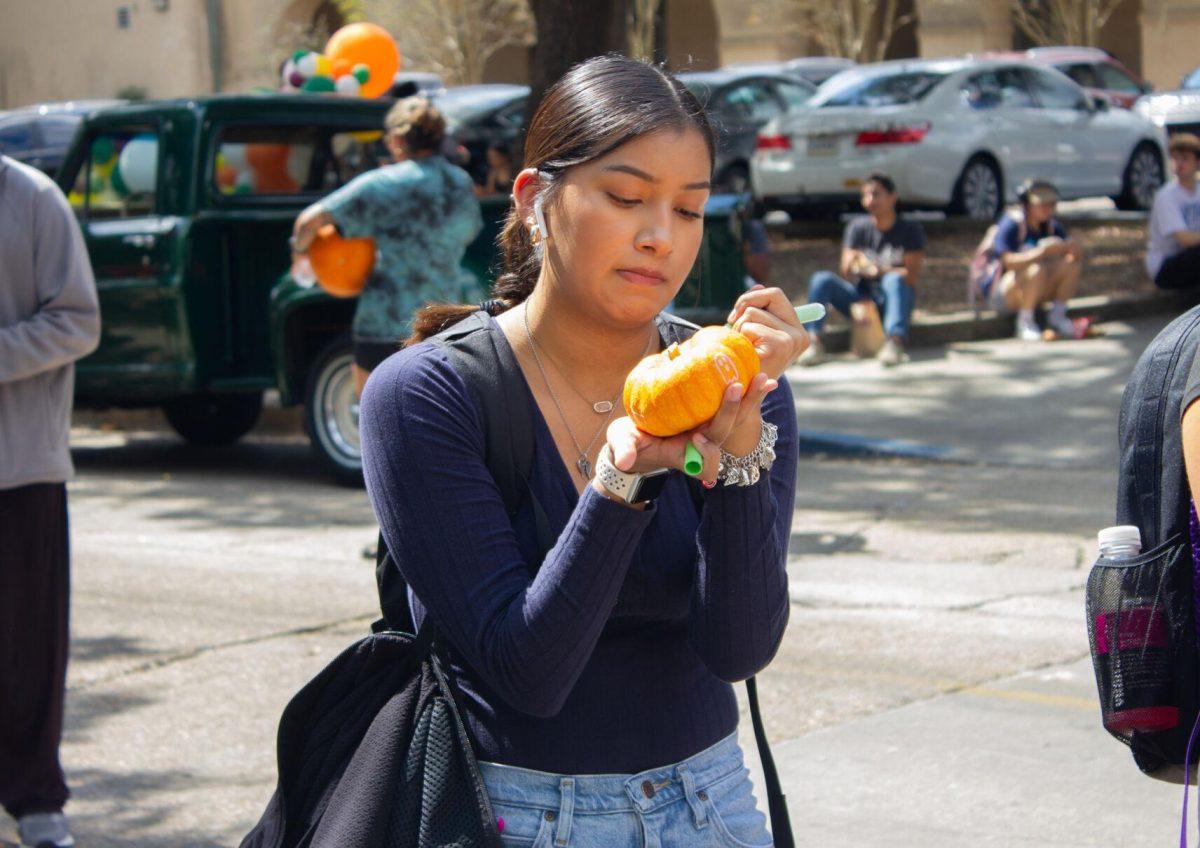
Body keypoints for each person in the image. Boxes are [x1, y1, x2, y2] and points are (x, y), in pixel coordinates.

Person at [359, 55, 807, 846]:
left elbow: (739, 648)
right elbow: (528, 672)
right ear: (534, 200)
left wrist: (738, 465)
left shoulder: (731, 383)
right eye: (627, 197)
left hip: (714, 804)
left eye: (690, 209)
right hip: (517, 813)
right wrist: (623, 480)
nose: (658, 236)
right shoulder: (426, 395)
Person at [0, 154, 101, 848]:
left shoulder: (31, 198)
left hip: (17, 468)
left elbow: (76, 321)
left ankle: (36, 799)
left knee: (25, 648)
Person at [291, 96, 484, 397]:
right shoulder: (460, 183)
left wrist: (300, 254)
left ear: (396, 140)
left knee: (377, 425)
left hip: (384, 323)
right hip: (444, 321)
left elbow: (308, 222)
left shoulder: (382, 184)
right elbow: (470, 231)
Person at [798, 173, 925, 368]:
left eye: (875, 194)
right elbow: (846, 272)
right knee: (821, 279)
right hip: (861, 300)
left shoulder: (910, 230)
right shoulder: (857, 227)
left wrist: (881, 271)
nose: (869, 201)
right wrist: (855, 263)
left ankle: (894, 342)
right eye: (865, 196)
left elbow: (911, 276)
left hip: (892, 300)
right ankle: (813, 342)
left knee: (893, 280)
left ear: (893, 197)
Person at [990, 179, 1083, 341]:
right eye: (1042, 204)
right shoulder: (1012, 224)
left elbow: (1075, 256)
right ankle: (1024, 322)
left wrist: (1072, 248)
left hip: (1039, 289)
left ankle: (1057, 316)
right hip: (1006, 292)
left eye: (1051, 204)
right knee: (1036, 269)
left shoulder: (1052, 226)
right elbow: (1008, 261)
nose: (1048, 209)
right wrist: (1041, 252)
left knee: (1071, 265)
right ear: (1027, 204)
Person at [1147, 133, 1200, 291]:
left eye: (1184, 158)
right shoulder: (1166, 196)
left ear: (1197, 163)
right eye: (1175, 158)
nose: (1178, 163)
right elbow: (1184, 240)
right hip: (1165, 266)